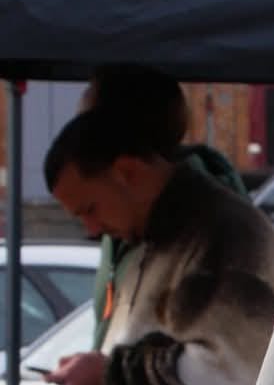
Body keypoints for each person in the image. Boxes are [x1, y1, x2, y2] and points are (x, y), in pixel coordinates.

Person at [42, 110, 274, 385]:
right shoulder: (148, 240)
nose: (92, 229)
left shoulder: (222, 235)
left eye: (91, 209)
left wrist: (112, 377)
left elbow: (236, 380)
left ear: (127, 171)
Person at [79, 65, 249, 355]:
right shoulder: (127, 225)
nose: (91, 227)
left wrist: (107, 377)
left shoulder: (211, 231)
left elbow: (225, 366)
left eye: (86, 132)